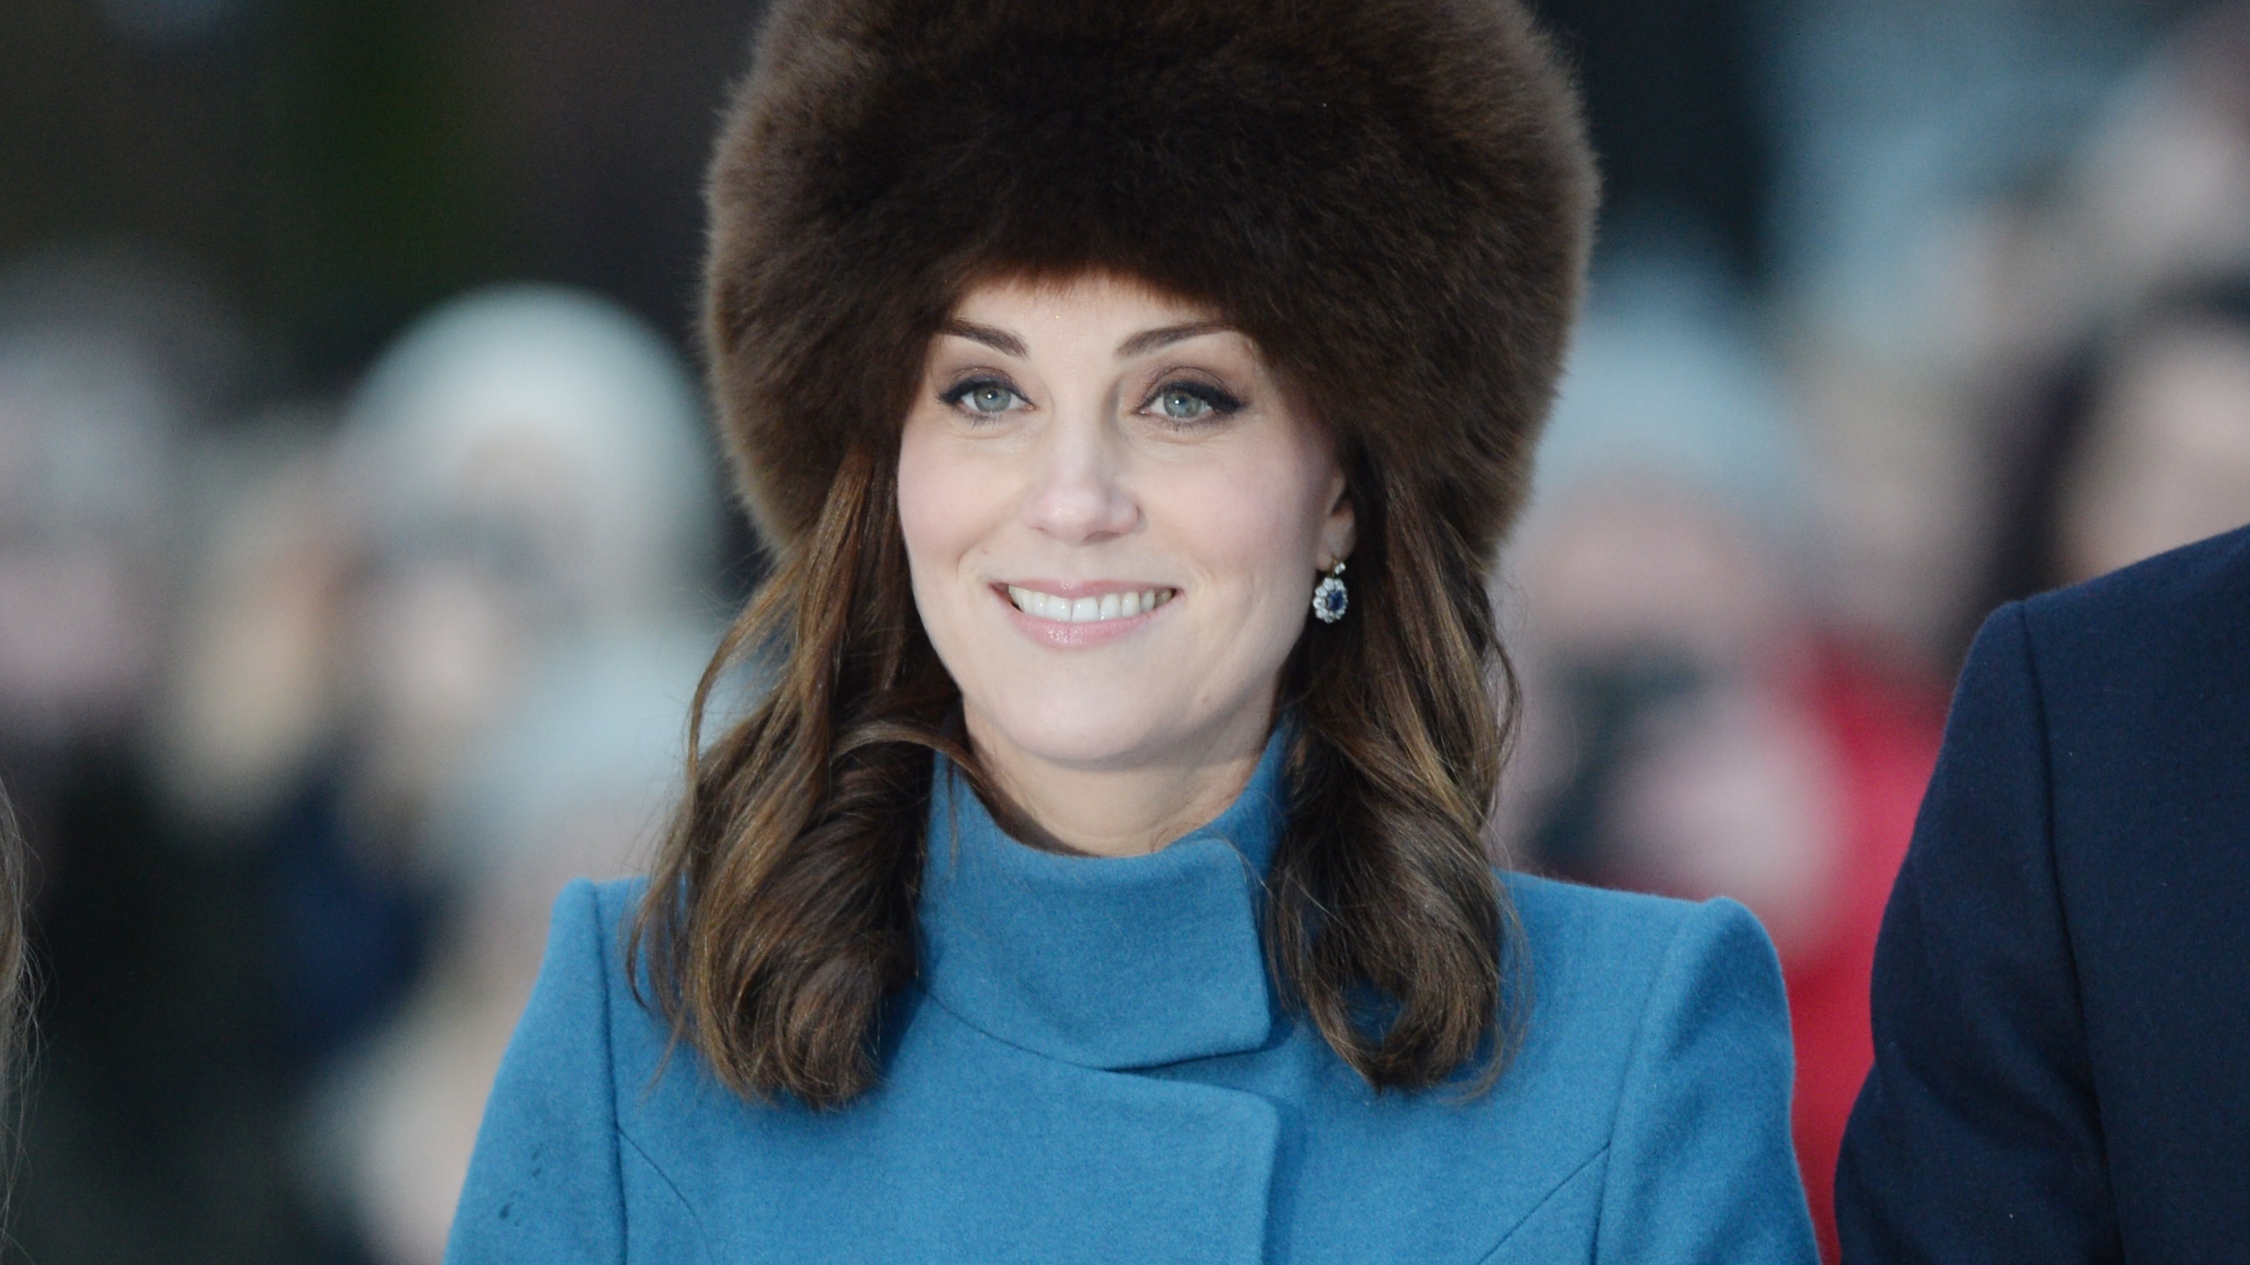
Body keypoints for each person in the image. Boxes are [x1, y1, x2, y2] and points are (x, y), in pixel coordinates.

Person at [448, 0, 1819, 1260]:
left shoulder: (1628, 1049)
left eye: (1182, 397)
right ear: (886, 465)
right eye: (987, 390)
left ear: (1341, 484)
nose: (1074, 500)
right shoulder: (630, 1038)